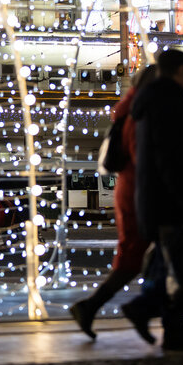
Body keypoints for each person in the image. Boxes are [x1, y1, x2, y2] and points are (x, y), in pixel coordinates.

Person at [121, 49, 183, 351]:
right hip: (169, 198)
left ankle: (172, 325)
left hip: (158, 197)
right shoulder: (168, 101)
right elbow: (171, 155)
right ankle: (147, 310)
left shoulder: (155, 100)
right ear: (180, 70)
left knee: (168, 263)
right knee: (177, 264)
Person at [70, 64, 157, 339]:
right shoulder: (141, 114)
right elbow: (144, 160)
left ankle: (164, 316)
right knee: (138, 258)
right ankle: (138, 309)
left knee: (150, 256)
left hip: (133, 191)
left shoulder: (131, 111)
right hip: (138, 194)